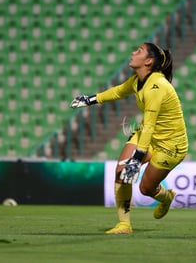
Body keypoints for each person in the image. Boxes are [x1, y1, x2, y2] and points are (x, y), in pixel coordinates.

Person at [70, 42, 188, 234]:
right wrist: (90, 99)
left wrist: (137, 158)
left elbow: (149, 125)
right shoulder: (137, 80)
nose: (133, 52)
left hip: (171, 145)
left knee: (146, 189)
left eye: (139, 51)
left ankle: (166, 198)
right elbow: (117, 91)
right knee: (121, 172)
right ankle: (124, 224)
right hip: (148, 134)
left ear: (148, 61)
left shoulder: (157, 86)